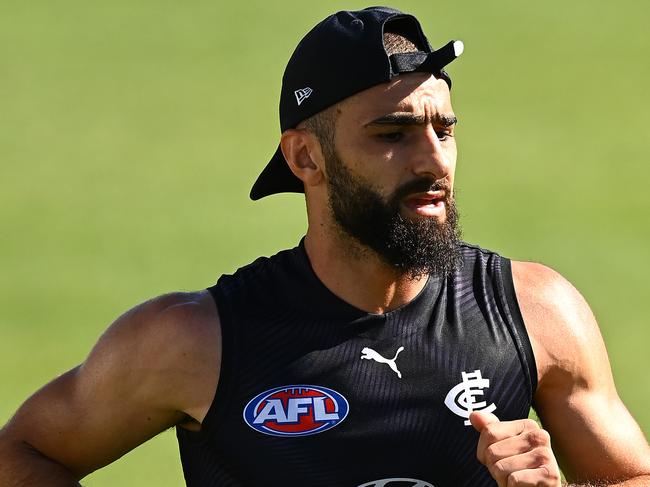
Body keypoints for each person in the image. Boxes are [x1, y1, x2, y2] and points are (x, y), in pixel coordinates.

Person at [1, 6, 649, 487]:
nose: (433, 160)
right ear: (305, 156)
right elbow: (24, 453)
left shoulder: (534, 312)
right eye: (393, 133)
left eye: (443, 128)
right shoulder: (198, 341)